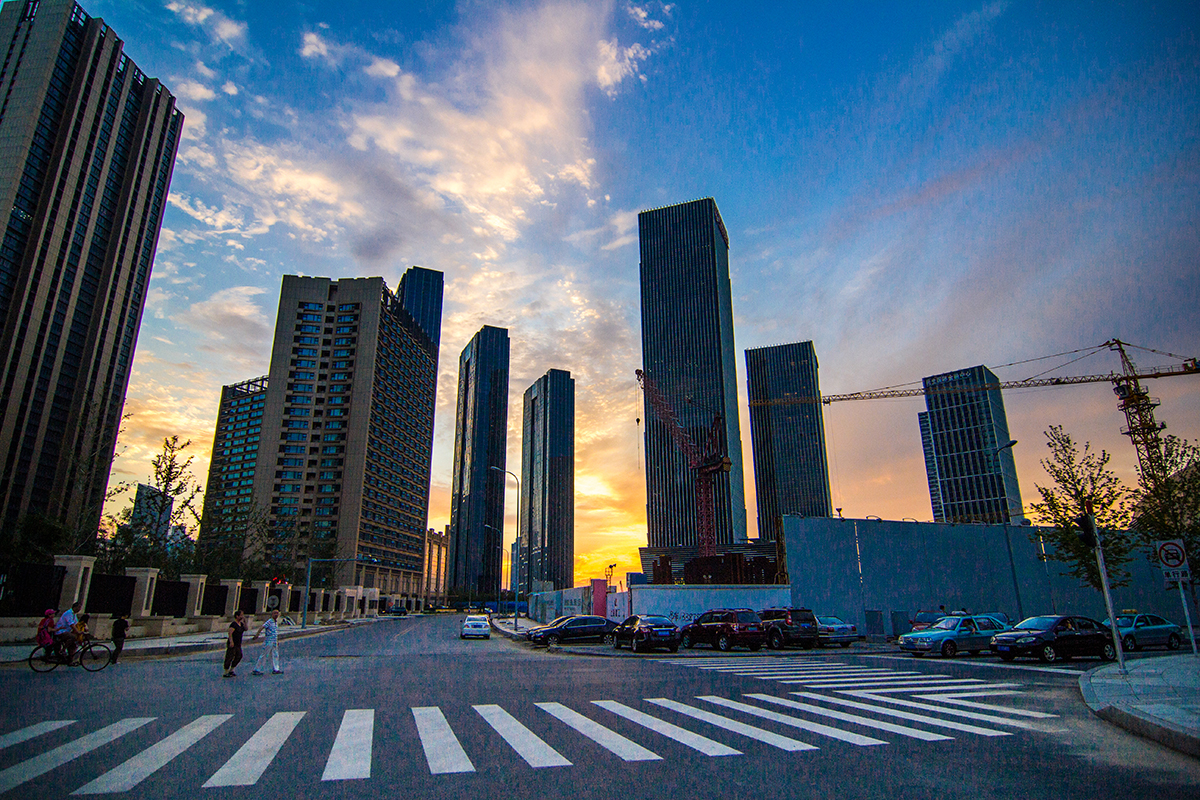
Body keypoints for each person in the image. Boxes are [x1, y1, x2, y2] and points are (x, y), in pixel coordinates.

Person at [251, 609, 282, 675]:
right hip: (269, 640)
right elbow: (262, 627)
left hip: (274, 640)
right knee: (264, 654)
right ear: (272, 614)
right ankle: (257, 669)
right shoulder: (269, 621)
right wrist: (257, 635)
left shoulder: (275, 622)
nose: (276, 614)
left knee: (275, 654)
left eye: (277, 613)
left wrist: (277, 641)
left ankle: (276, 669)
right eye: (275, 613)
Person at [222, 610, 247, 678]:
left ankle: (232, 669)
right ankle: (226, 671)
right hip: (233, 643)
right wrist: (231, 641)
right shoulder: (233, 624)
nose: (242, 617)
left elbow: (246, 629)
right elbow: (230, 633)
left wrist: (245, 621)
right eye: (241, 615)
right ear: (237, 616)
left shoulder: (241, 624)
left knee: (239, 656)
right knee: (229, 656)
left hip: (238, 643)